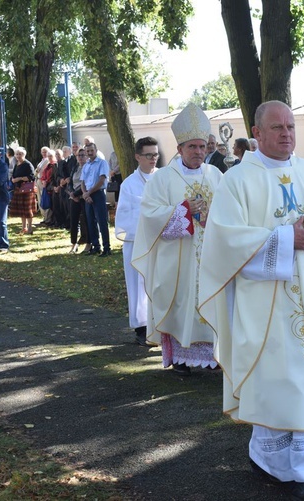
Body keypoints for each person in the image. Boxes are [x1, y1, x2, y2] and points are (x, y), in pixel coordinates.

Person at [198, 100, 304, 500]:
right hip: (263, 302)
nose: (287, 134)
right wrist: (286, 238)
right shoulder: (237, 180)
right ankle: (280, 462)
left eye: (291, 126)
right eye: (277, 127)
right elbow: (225, 241)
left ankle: (299, 462)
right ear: (257, 133)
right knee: (276, 378)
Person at [132, 102, 223, 375]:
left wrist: (211, 217)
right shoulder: (163, 179)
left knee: (212, 300)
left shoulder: (216, 175)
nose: (198, 152)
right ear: (180, 148)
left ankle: (214, 356)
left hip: (211, 255)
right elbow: (149, 216)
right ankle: (181, 358)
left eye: (202, 147)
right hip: (177, 257)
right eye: (192, 147)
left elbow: (229, 211)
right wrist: (183, 211)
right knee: (181, 300)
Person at [114, 137, 159, 346]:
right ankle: (141, 327)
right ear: (138, 157)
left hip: (161, 241)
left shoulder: (163, 178)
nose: (153, 159)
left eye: (156, 154)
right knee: (138, 284)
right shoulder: (129, 184)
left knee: (160, 284)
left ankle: (160, 324)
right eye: (149, 155)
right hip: (136, 241)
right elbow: (125, 215)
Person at [81, 142, 112, 257]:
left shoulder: (102, 163)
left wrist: (89, 192)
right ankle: (96, 246)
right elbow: (83, 182)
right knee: (90, 221)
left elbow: (101, 180)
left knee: (102, 221)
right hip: (88, 195)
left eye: (91, 151)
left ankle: (107, 248)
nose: (89, 153)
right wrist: (85, 194)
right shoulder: (86, 165)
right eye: (87, 151)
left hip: (98, 194)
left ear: (96, 150)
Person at [67, 146, 91, 254]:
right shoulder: (75, 168)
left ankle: (88, 243)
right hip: (74, 198)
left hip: (83, 197)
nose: (80, 158)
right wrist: (72, 194)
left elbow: (86, 183)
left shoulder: (88, 168)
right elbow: (70, 182)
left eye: (83, 155)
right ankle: (74, 243)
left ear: (86, 156)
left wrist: (76, 194)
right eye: (78, 155)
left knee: (86, 221)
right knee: (73, 221)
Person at [9, 147, 37, 235]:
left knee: (28, 209)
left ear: (24, 155)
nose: (18, 156)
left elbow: (31, 177)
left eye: (20, 154)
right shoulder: (17, 164)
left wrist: (19, 179)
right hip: (18, 189)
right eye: (17, 154)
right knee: (21, 210)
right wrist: (13, 180)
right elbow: (13, 175)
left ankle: (30, 228)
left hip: (26, 190)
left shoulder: (28, 164)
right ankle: (23, 227)